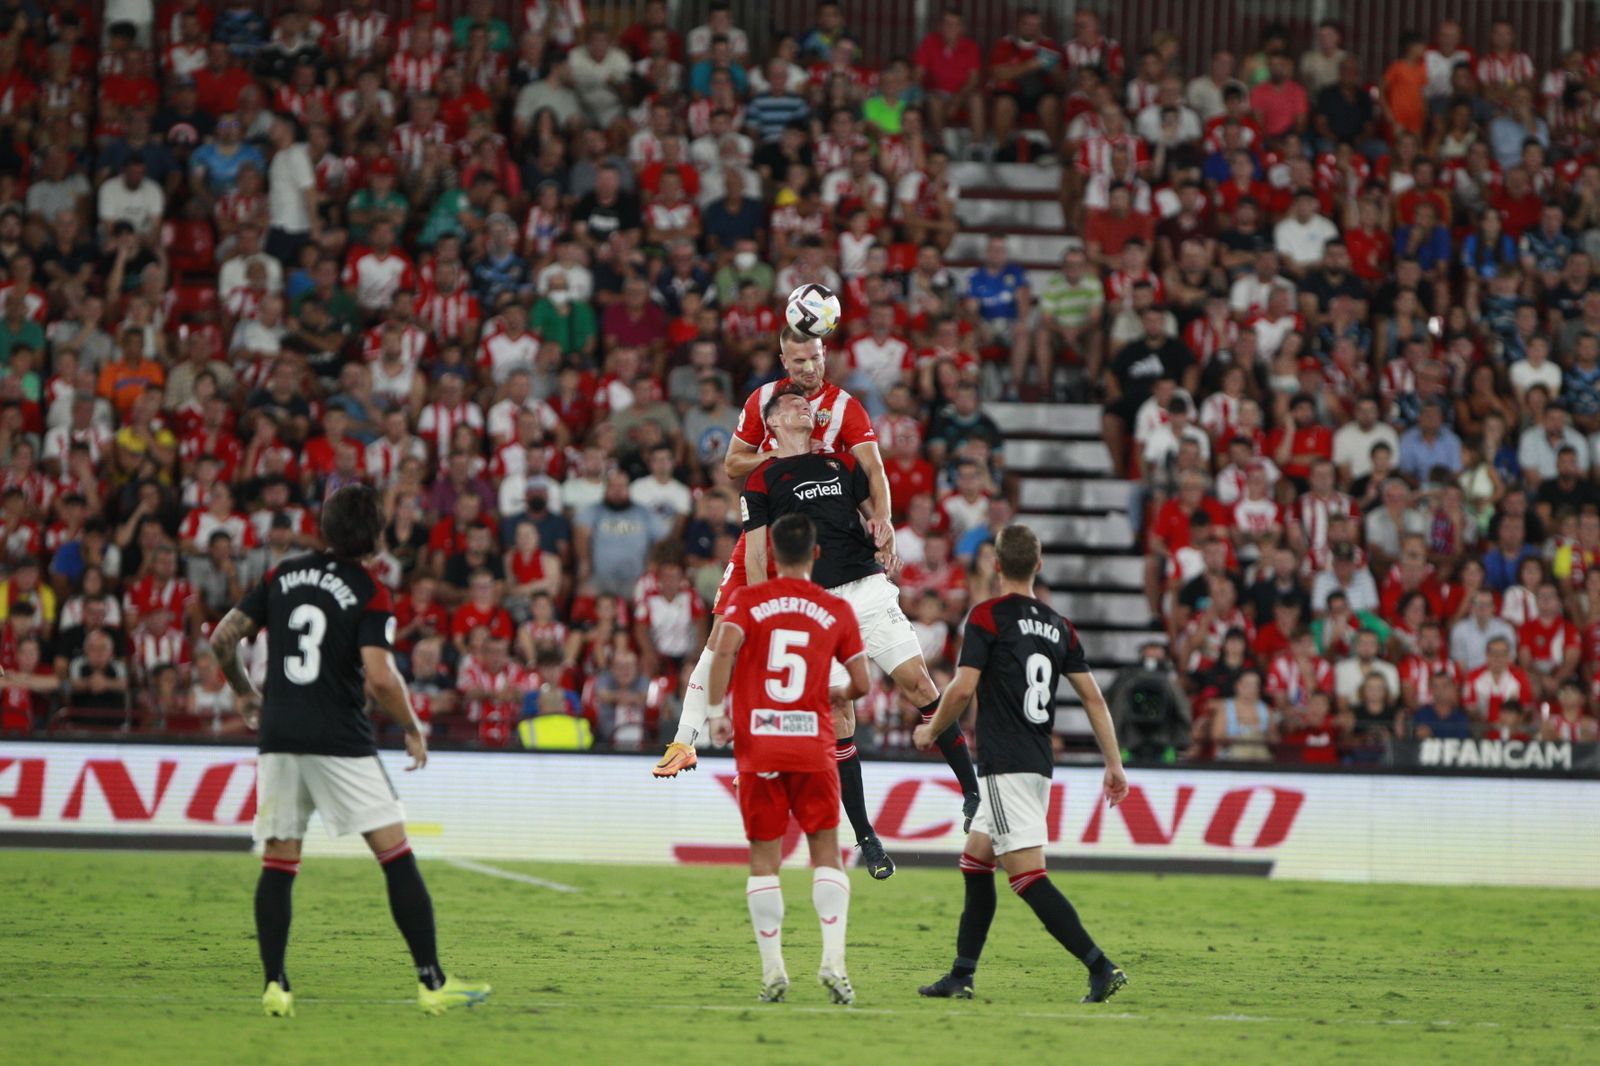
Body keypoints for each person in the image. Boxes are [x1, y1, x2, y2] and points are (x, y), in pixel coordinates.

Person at [208, 485, 489, 1017]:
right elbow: (381, 679)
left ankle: (276, 986)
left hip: (279, 734)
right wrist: (410, 727)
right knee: (395, 855)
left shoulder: (281, 575)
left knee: (279, 861)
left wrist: (246, 693)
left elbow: (223, 639)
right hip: (339, 739)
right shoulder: (369, 590)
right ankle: (432, 983)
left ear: (324, 527)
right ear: (375, 535)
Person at [732, 385, 980, 878]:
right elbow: (758, 556)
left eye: (806, 402)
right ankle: (867, 837)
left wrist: (884, 535)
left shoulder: (841, 463)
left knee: (921, 685)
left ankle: (973, 792)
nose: (803, 404)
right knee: (840, 714)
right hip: (814, 605)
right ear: (773, 423)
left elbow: (876, 515)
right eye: (790, 404)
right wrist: (765, 614)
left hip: (866, 588)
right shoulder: (761, 480)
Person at [914, 524, 1129, 1004]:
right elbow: (1093, 699)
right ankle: (961, 974)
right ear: (1039, 564)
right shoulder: (1058, 625)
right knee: (975, 861)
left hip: (1004, 763)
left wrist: (932, 730)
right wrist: (1113, 764)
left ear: (995, 565)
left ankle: (1100, 965)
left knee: (1027, 876)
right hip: (1036, 760)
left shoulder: (987, 617)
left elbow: (964, 687)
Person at [705, 513, 870, 1005]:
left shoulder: (746, 600)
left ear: (771, 556)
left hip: (759, 746)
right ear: (816, 554)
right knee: (826, 851)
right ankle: (834, 964)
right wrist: (835, 692)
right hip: (812, 745)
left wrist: (717, 713)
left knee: (764, 859)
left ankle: (774, 971)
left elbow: (722, 653)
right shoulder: (836, 608)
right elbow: (861, 684)